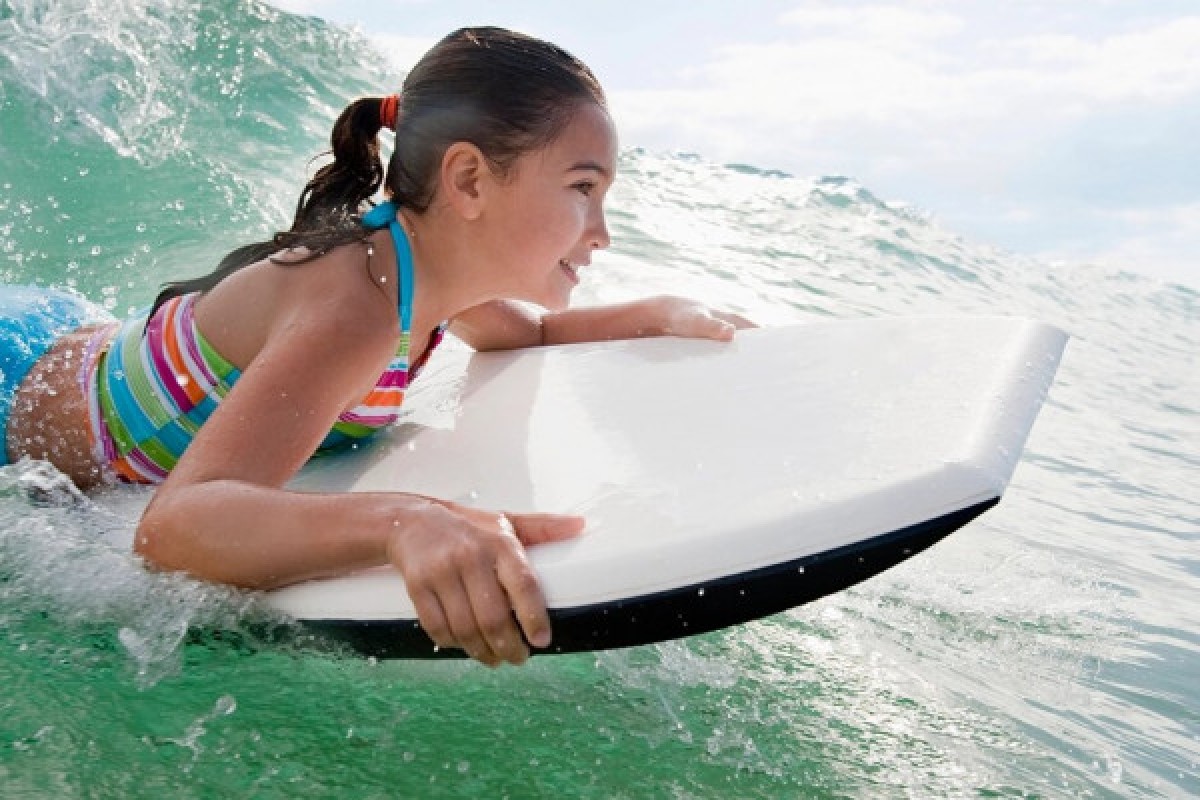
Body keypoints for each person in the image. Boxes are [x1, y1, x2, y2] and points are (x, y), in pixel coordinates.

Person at [1, 27, 751, 666]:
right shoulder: (355, 307)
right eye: (582, 188)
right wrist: (409, 521)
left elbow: (537, 331)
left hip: (85, 347)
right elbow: (175, 529)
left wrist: (658, 313)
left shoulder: (430, 279)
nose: (603, 231)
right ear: (469, 180)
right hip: (18, 378)